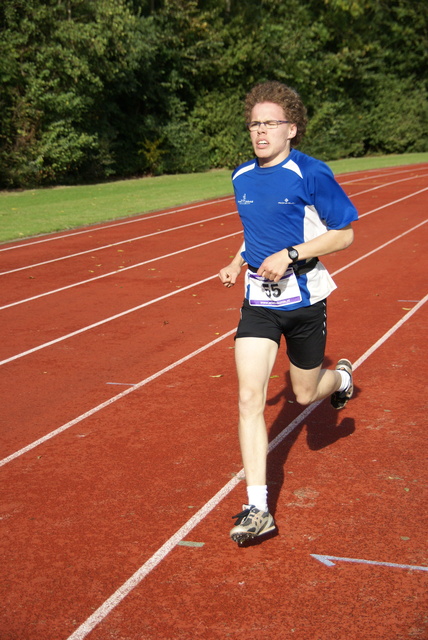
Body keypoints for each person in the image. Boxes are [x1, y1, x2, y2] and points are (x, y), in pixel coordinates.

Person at [218, 81, 358, 545]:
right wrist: (238, 261)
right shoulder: (240, 176)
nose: (260, 132)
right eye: (255, 123)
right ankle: (258, 507)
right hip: (259, 302)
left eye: (270, 123)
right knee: (247, 398)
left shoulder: (311, 173)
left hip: (303, 301)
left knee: (302, 393)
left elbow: (344, 234)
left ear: (291, 129)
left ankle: (339, 379)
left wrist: (292, 254)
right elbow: (257, 228)